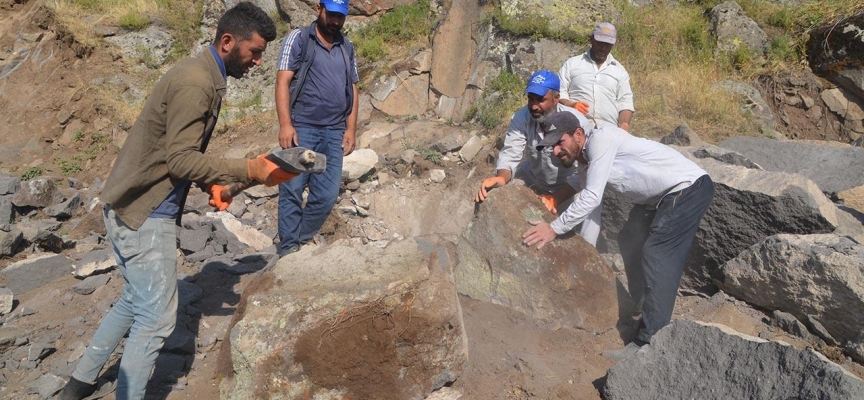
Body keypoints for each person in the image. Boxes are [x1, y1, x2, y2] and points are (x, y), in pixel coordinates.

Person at [58, 4, 286, 399]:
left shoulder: (202, 75)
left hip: (134, 205)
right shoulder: (196, 83)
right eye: (255, 51)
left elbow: (176, 154)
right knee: (157, 318)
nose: (259, 61)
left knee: (134, 300)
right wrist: (249, 169)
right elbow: (180, 158)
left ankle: (78, 384)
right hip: (145, 214)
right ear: (228, 41)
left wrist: (210, 187)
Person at [522, 111, 714, 347]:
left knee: (657, 254)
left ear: (578, 134)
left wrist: (553, 229)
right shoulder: (585, 164)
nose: (555, 151)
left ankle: (648, 342)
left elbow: (591, 196)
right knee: (629, 238)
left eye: (559, 143)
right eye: (550, 146)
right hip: (659, 199)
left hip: (687, 188)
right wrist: (556, 203)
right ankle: (645, 307)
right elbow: (584, 194)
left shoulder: (602, 140)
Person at [275, 0, 359, 257]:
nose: (335, 21)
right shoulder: (299, 39)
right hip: (303, 129)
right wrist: (286, 124)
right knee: (292, 188)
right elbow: (282, 81)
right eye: (332, 15)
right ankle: (289, 249)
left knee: (327, 195)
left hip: (334, 133)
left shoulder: (347, 46)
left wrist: (351, 128)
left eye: (340, 17)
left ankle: (296, 240)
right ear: (319, 9)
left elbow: (354, 87)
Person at [474, 70, 589, 214]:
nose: (534, 106)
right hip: (533, 177)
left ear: (556, 98)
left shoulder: (578, 123)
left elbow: (583, 171)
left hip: (569, 189)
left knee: (578, 228)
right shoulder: (522, 117)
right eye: (531, 99)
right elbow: (511, 152)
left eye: (540, 100)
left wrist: (555, 199)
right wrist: (501, 178)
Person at [558, 22, 634, 131]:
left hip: (608, 129)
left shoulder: (619, 71)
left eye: (608, 44)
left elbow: (625, 101)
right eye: (600, 42)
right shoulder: (572, 64)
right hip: (576, 126)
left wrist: (624, 125)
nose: (603, 47)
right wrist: (571, 104)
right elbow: (559, 91)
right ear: (592, 39)